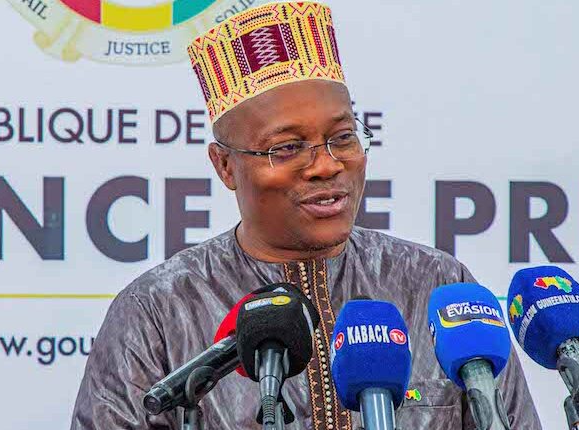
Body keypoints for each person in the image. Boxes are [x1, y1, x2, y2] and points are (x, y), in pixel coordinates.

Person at [71, 2, 542, 429]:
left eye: (343, 138)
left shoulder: (439, 285)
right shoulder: (158, 310)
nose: (326, 165)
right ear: (225, 166)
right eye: (287, 148)